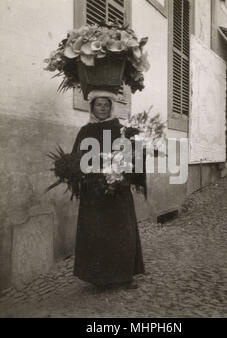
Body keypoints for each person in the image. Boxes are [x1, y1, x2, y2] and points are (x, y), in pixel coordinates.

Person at [71, 90, 145, 289]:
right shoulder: (85, 132)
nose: (102, 109)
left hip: (117, 191)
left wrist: (122, 175)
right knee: (97, 233)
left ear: (111, 107)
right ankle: (99, 278)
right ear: (92, 107)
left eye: (106, 105)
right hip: (94, 193)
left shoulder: (120, 129)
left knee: (121, 232)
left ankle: (123, 277)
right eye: (98, 105)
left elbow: (132, 156)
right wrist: (86, 176)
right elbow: (76, 160)